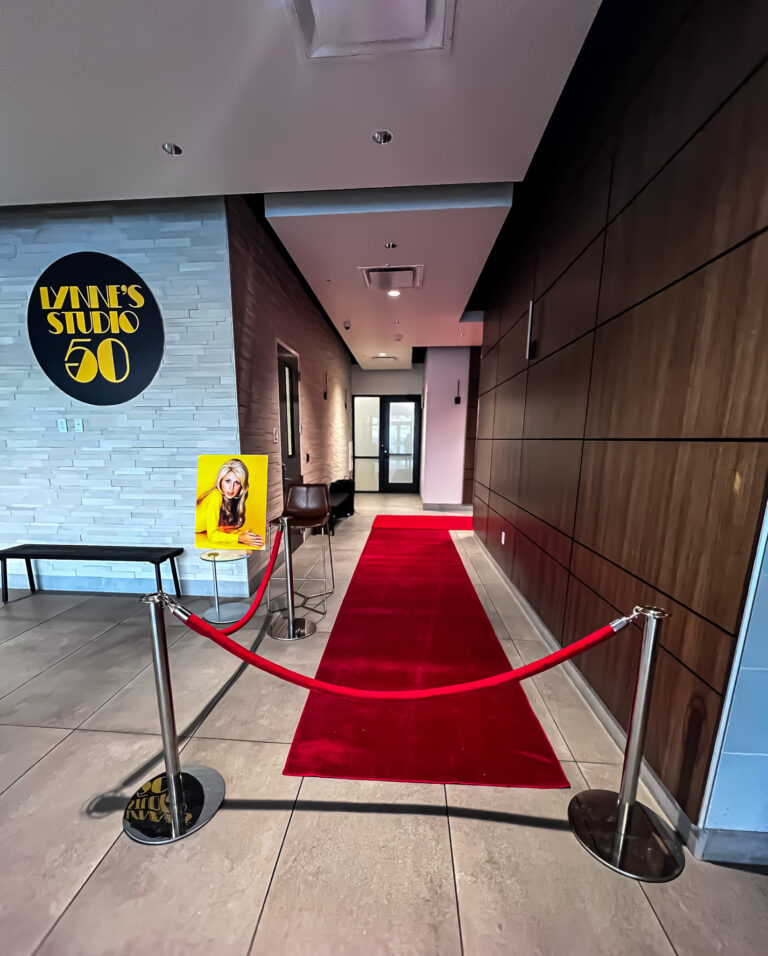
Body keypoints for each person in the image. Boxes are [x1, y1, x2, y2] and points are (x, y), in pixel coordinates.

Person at [195, 458, 264, 548]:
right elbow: (212, 535)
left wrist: (244, 535)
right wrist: (239, 538)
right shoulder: (215, 496)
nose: (231, 488)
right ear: (220, 481)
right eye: (227, 481)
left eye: (237, 482)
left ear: (242, 486)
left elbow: (223, 528)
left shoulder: (229, 500)